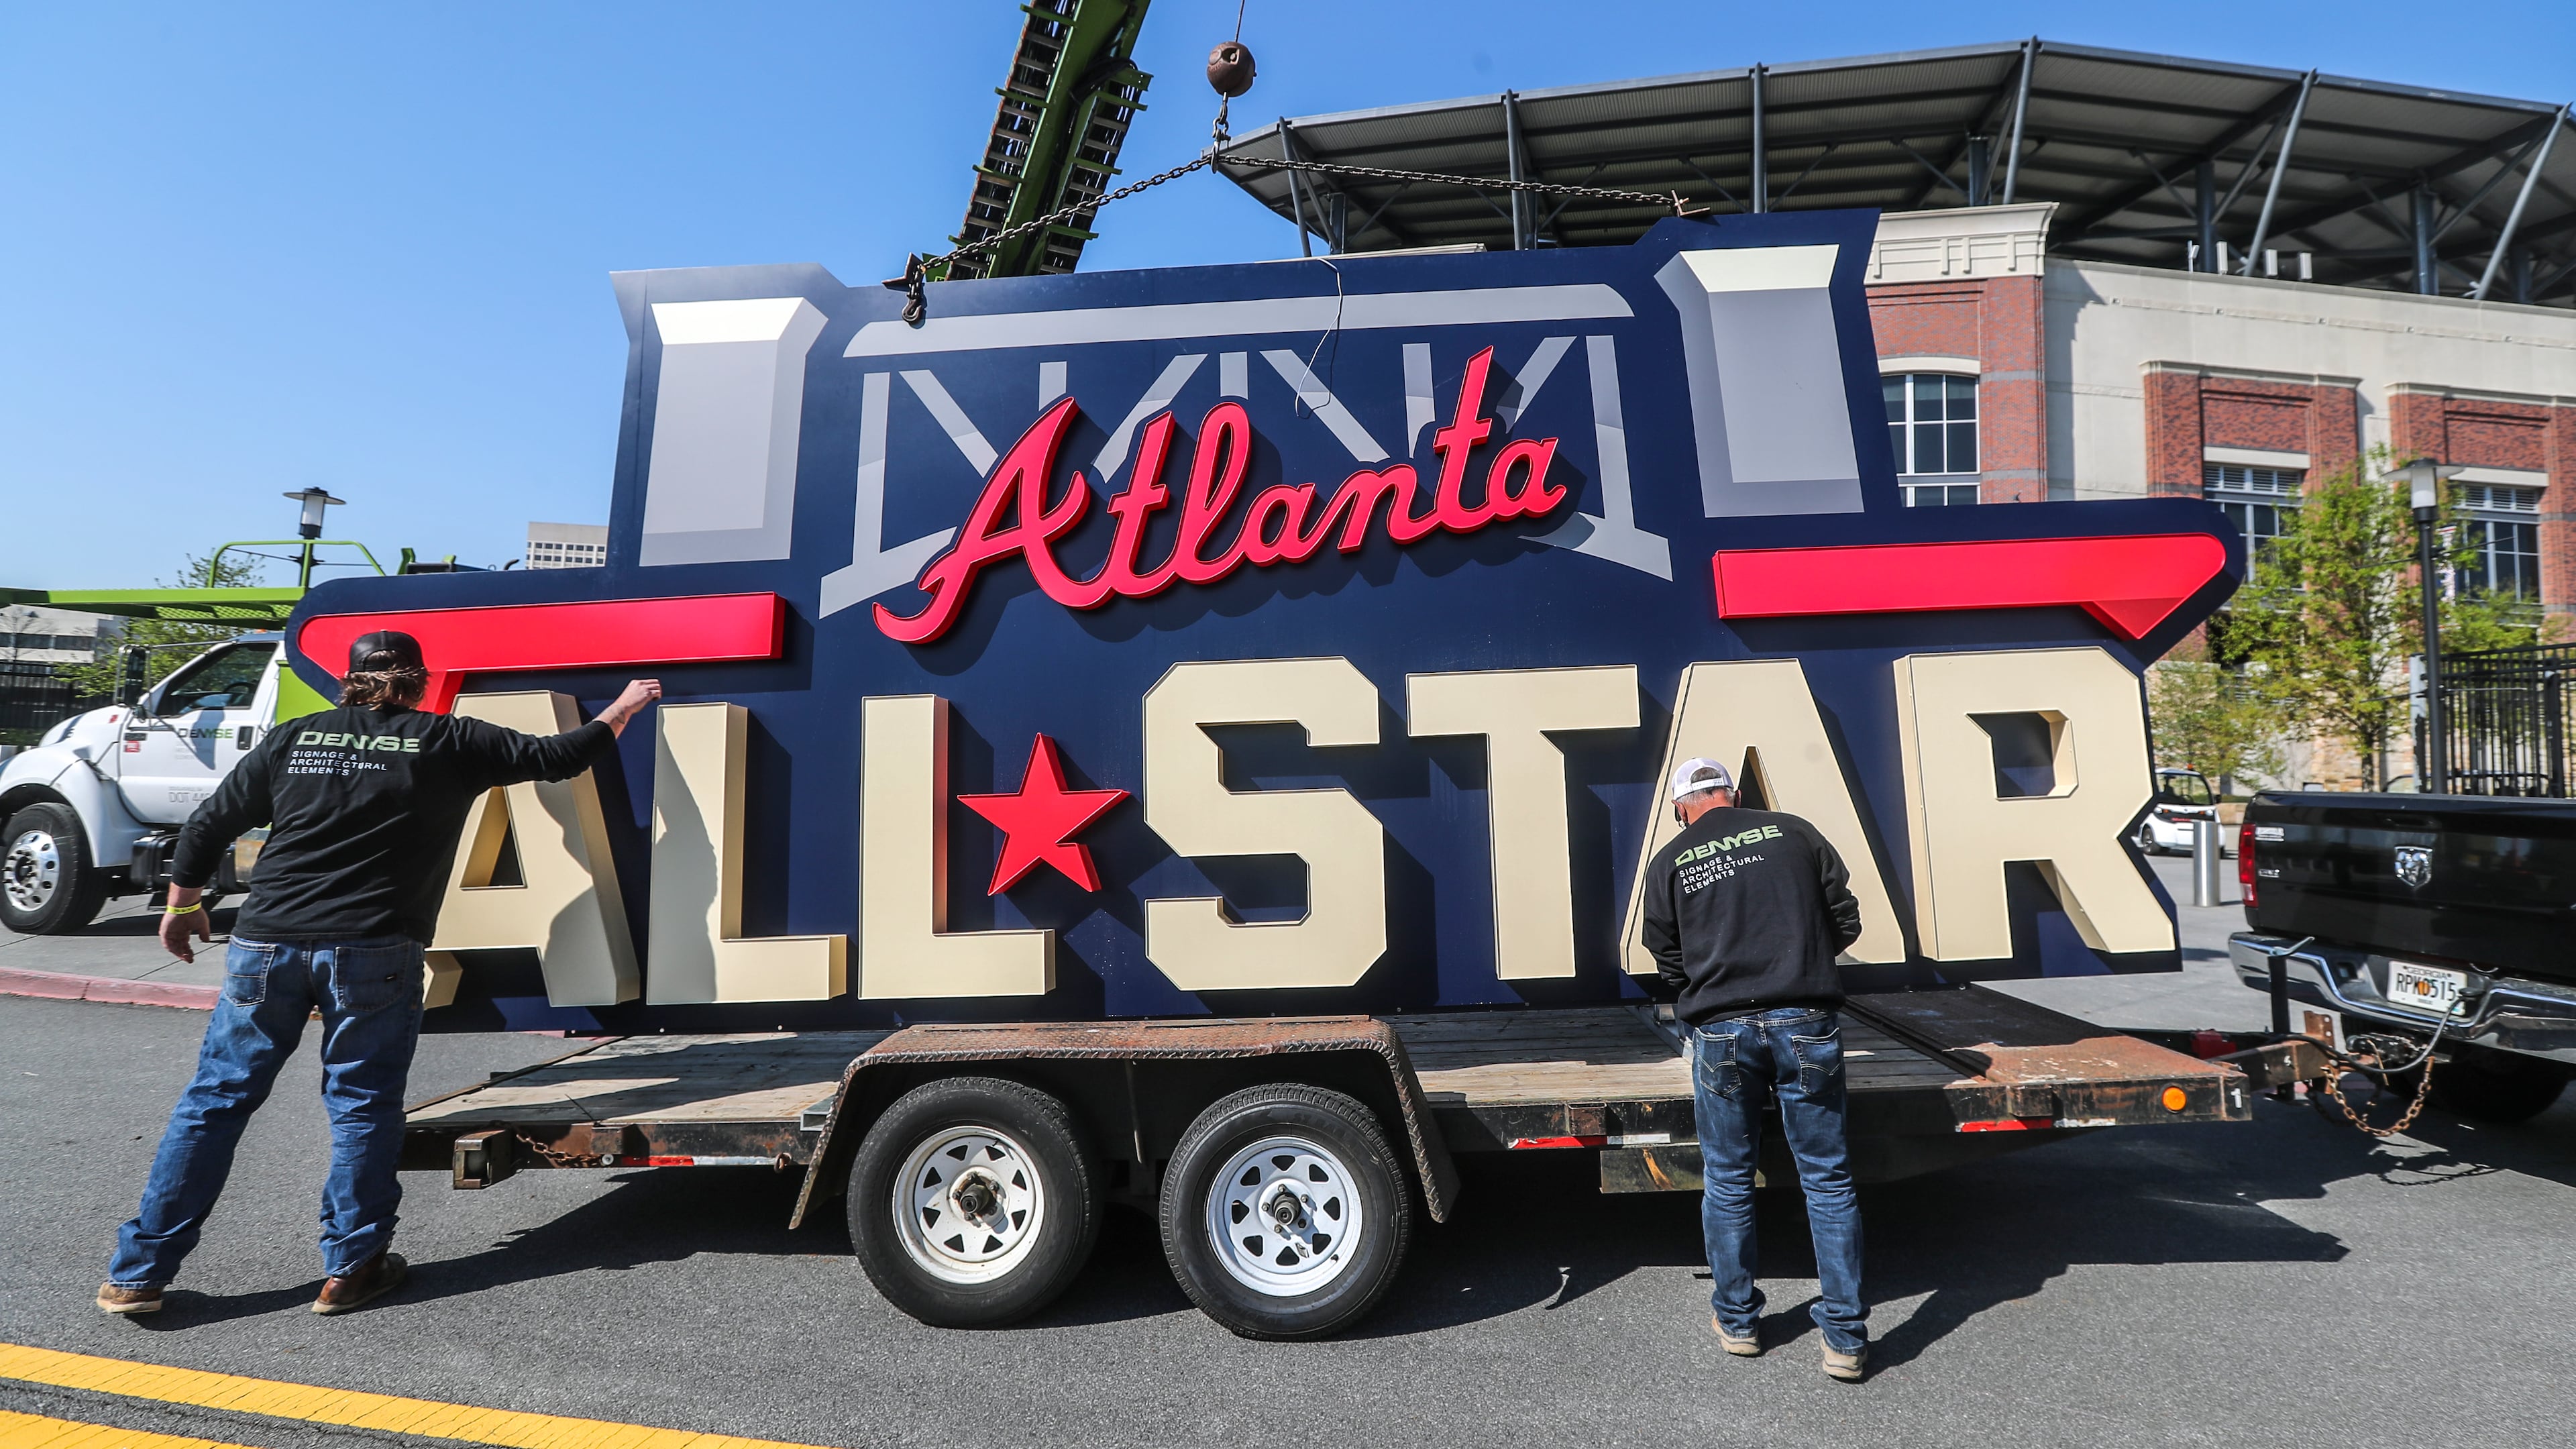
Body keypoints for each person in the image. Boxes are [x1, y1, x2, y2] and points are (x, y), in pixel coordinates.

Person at [97, 631, 661, 1317]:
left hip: (265, 943)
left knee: (214, 1103)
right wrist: (623, 709)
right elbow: (558, 757)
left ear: (350, 679)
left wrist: (184, 906)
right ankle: (352, 1268)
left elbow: (210, 824)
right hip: (372, 948)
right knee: (361, 1106)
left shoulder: (294, 739)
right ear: (418, 682)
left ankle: (138, 1274)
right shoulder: (448, 740)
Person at [1640, 757, 1868, 1381]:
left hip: (1721, 1032)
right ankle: (1845, 1340)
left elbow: (1665, 957)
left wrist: (1713, 984)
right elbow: (1844, 919)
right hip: (1805, 1023)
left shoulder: (1671, 861)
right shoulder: (1795, 832)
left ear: (1684, 806)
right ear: (1733, 795)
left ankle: (1739, 1323)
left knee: (1729, 1179)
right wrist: (1795, 961)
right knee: (1826, 1179)